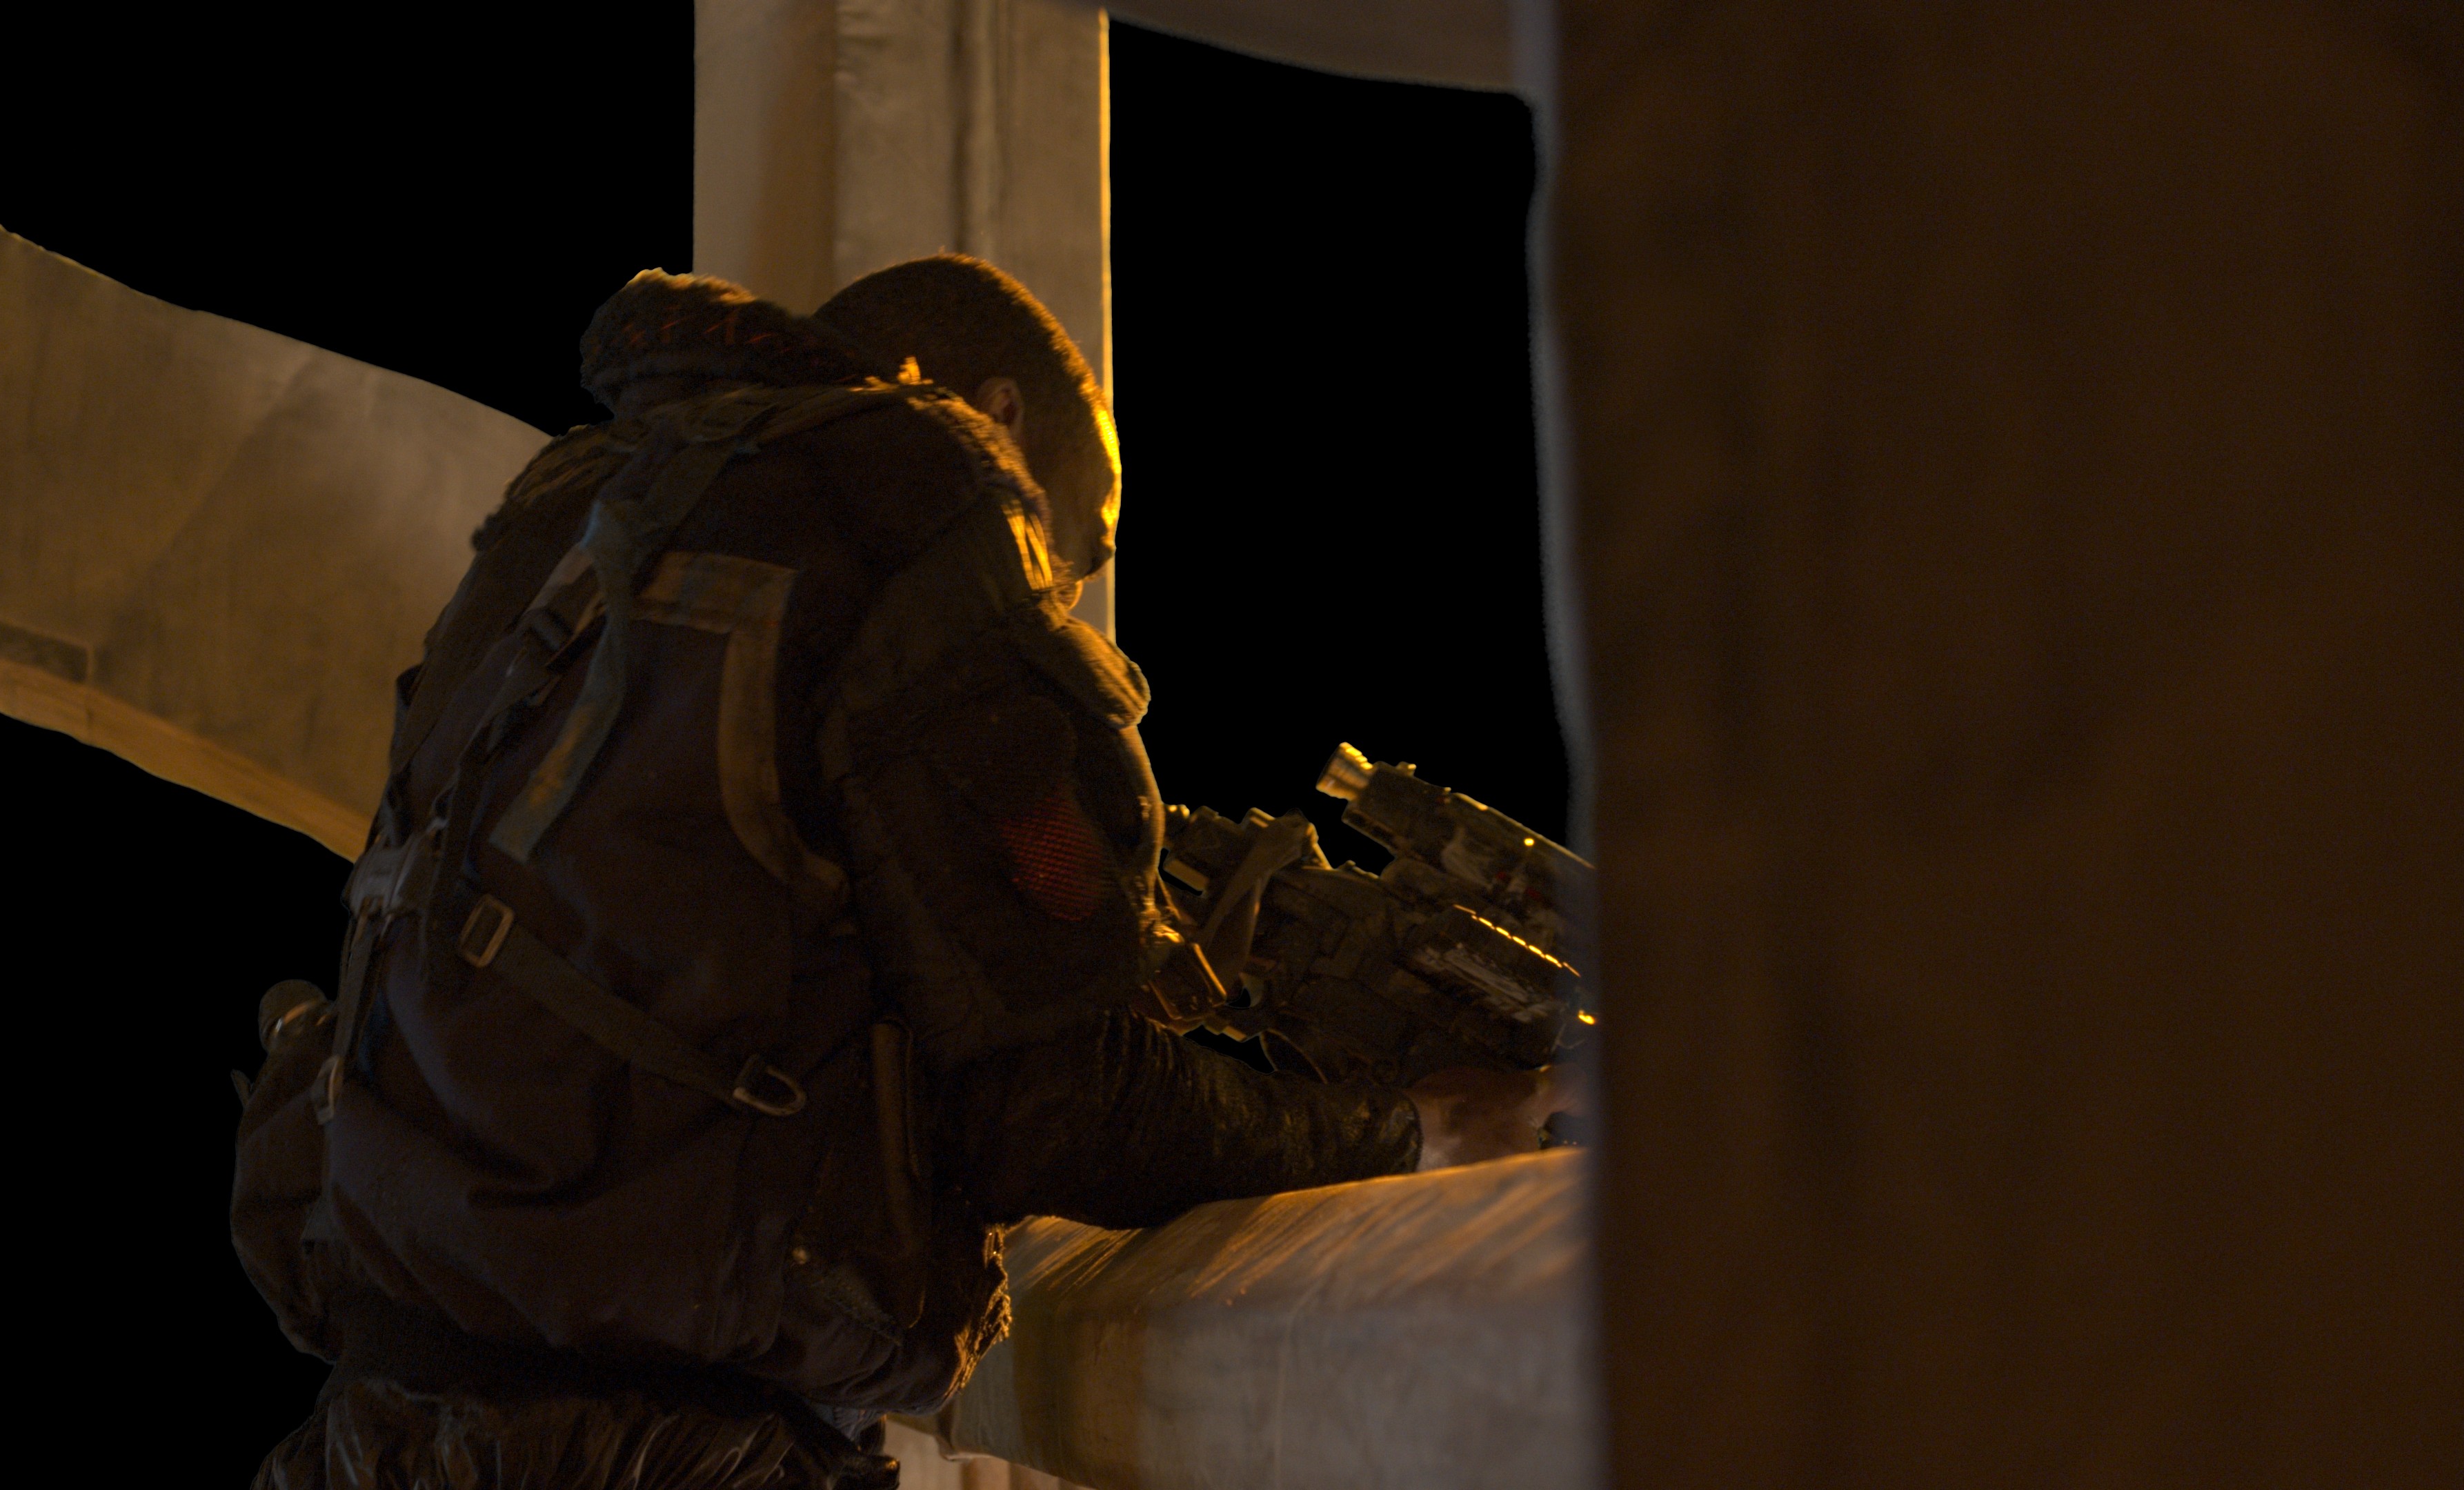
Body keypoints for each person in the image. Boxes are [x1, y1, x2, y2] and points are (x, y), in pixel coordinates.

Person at [235, 257, 1569, 1490]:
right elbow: (1061, 1107)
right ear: (1001, 414)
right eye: (1083, 539)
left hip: (386, 1417)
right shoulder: (915, 501)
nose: (1068, 585)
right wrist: (1410, 1134)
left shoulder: (579, 511)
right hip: (668, 1446)